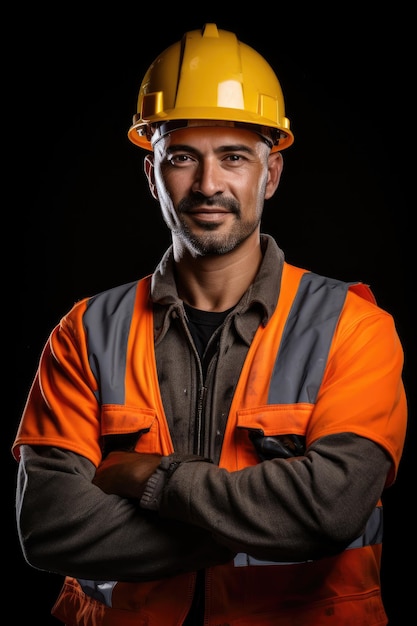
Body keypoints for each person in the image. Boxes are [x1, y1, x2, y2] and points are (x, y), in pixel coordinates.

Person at [12, 23, 407, 626]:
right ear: (152, 177)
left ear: (269, 175)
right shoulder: (86, 332)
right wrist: (264, 527)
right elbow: (49, 525)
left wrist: (150, 481)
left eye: (234, 157)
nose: (208, 185)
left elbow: (331, 511)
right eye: (181, 158)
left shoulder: (353, 327)